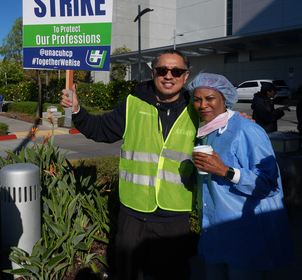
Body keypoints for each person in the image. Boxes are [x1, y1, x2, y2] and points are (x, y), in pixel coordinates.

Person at [61, 50, 199, 280]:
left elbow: (222, 130)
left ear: (185, 76)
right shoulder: (132, 104)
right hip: (133, 215)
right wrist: (76, 110)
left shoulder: (196, 109)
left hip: (174, 217)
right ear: (153, 73)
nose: (168, 76)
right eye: (162, 70)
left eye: (176, 71)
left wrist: (240, 122)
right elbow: (101, 129)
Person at [189, 73, 294, 279]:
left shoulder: (247, 129)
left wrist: (225, 171)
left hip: (245, 234)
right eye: (197, 99)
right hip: (214, 233)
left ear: (224, 99)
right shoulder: (208, 131)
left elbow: (268, 184)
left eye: (210, 98)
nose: (202, 105)